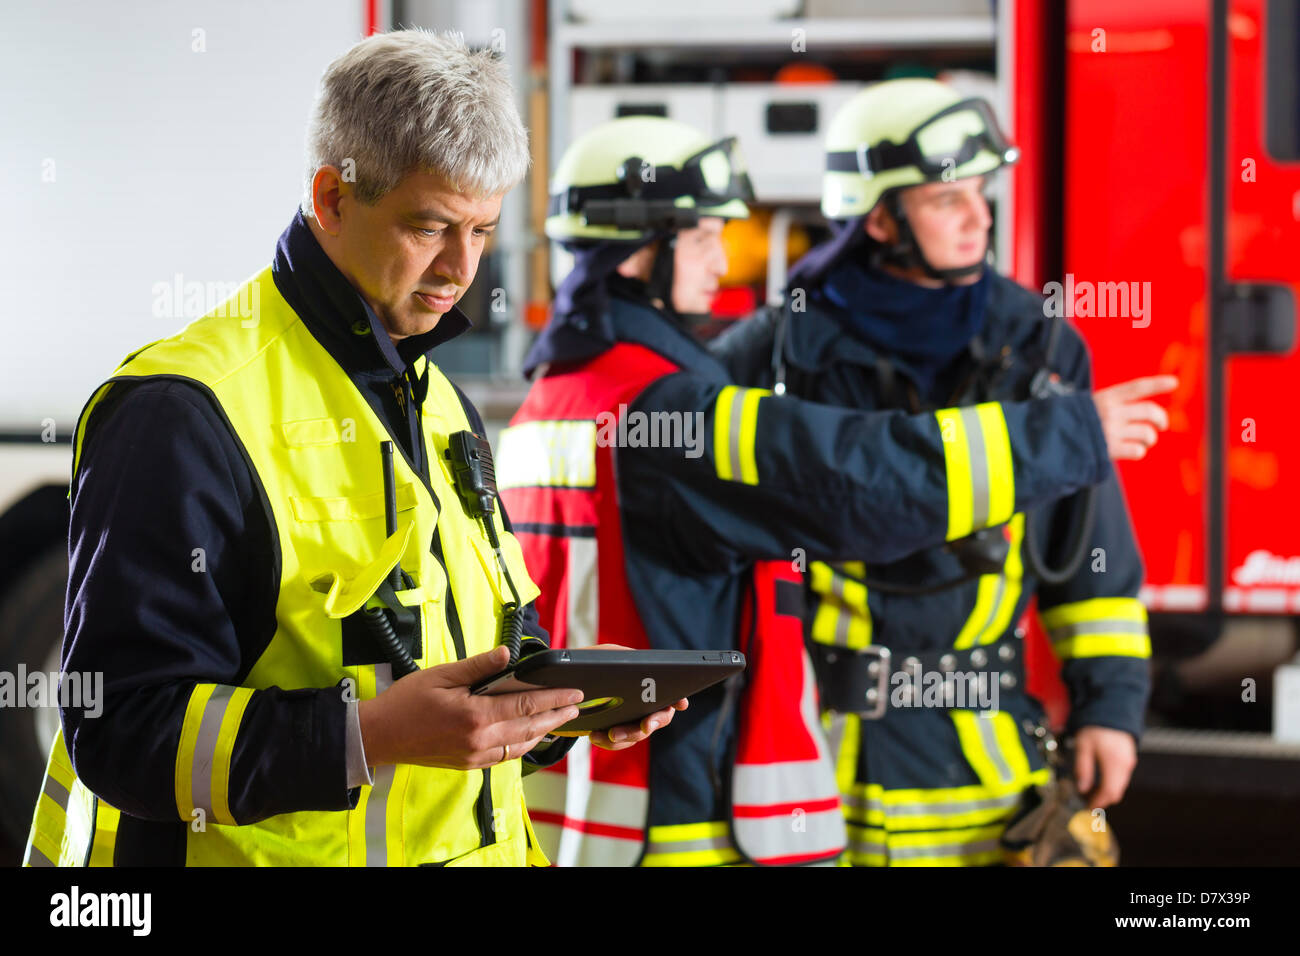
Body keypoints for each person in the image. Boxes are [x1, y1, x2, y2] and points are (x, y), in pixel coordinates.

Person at [23, 29, 680, 869]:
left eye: (481, 230)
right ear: (330, 198)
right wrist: (367, 735)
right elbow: (120, 730)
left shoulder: (435, 398)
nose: (459, 270)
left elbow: (460, 670)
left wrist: (560, 703)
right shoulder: (181, 412)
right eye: (430, 226)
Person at [495, 114, 1172, 866]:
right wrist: (1061, 435)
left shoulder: (549, 402)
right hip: (693, 811)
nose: (728, 259)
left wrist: (1110, 698)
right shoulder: (685, 401)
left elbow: (1088, 549)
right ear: (638, 256)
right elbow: (854, 481)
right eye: (705, 237)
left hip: (588, 812)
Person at [712, 78, 1172, 866]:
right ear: (880, 215)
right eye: (947, 198)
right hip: (809, 759)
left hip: (986, 766)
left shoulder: (1041, 348)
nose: (980, 216)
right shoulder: (769, 354)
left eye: (983, 192)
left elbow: (1090, 557)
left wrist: (1111, 708)